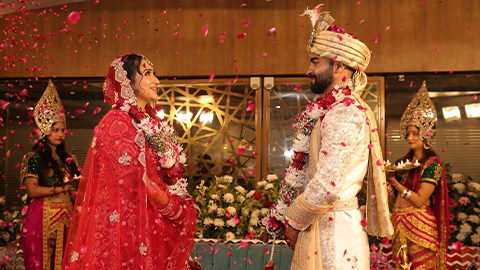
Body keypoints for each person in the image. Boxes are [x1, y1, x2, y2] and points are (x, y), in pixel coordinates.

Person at [264, 5, 393, 269]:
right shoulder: (335, 109)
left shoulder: (345, 111)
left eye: (315, 61)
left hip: (335, 231)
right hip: (327, 222)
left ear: (339, 65)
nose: (309, 70)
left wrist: (294, 221)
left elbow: (327, 183)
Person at [62, 54, 198, 270]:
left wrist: (180, 204)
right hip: (129, 231)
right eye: (147, 74)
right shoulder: (116, 123)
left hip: (155, 225)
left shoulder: (152, 121)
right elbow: (134, 180)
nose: (156, 81)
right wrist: (175, 209)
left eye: (154, 73)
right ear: (127, 81)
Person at [386, 81, 449, 269]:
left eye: (415, 133)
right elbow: (393, 199)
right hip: (399, 223)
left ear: (427, 136)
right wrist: (385, 183)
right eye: (408, 134)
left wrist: (393, 182)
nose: (410, 138)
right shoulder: (401, 163)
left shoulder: (432, 164)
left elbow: (420, 200)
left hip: (420, 225)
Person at [20, 80, 80, 270]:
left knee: (66, 262)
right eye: (55, 130)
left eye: (62, 130)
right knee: (43, 262)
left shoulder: (69, 158)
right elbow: (32, 190)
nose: (60, 134)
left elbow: (77, 187)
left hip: (68, 214)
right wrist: (64, 188)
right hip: (43, 216)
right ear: (45, 131)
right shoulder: (34, 158)